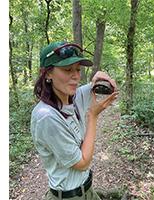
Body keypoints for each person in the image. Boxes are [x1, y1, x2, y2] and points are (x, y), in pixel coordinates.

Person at [30, 41, 118, 200]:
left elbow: (94, 86)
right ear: (48, 73)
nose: (76, 76)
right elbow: (83, 163)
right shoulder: (46, 117)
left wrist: (99, 77)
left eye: (78, 69)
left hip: (88, 190)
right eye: (67, 70)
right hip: (68, 196)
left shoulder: (72, 97)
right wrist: (93, 116)